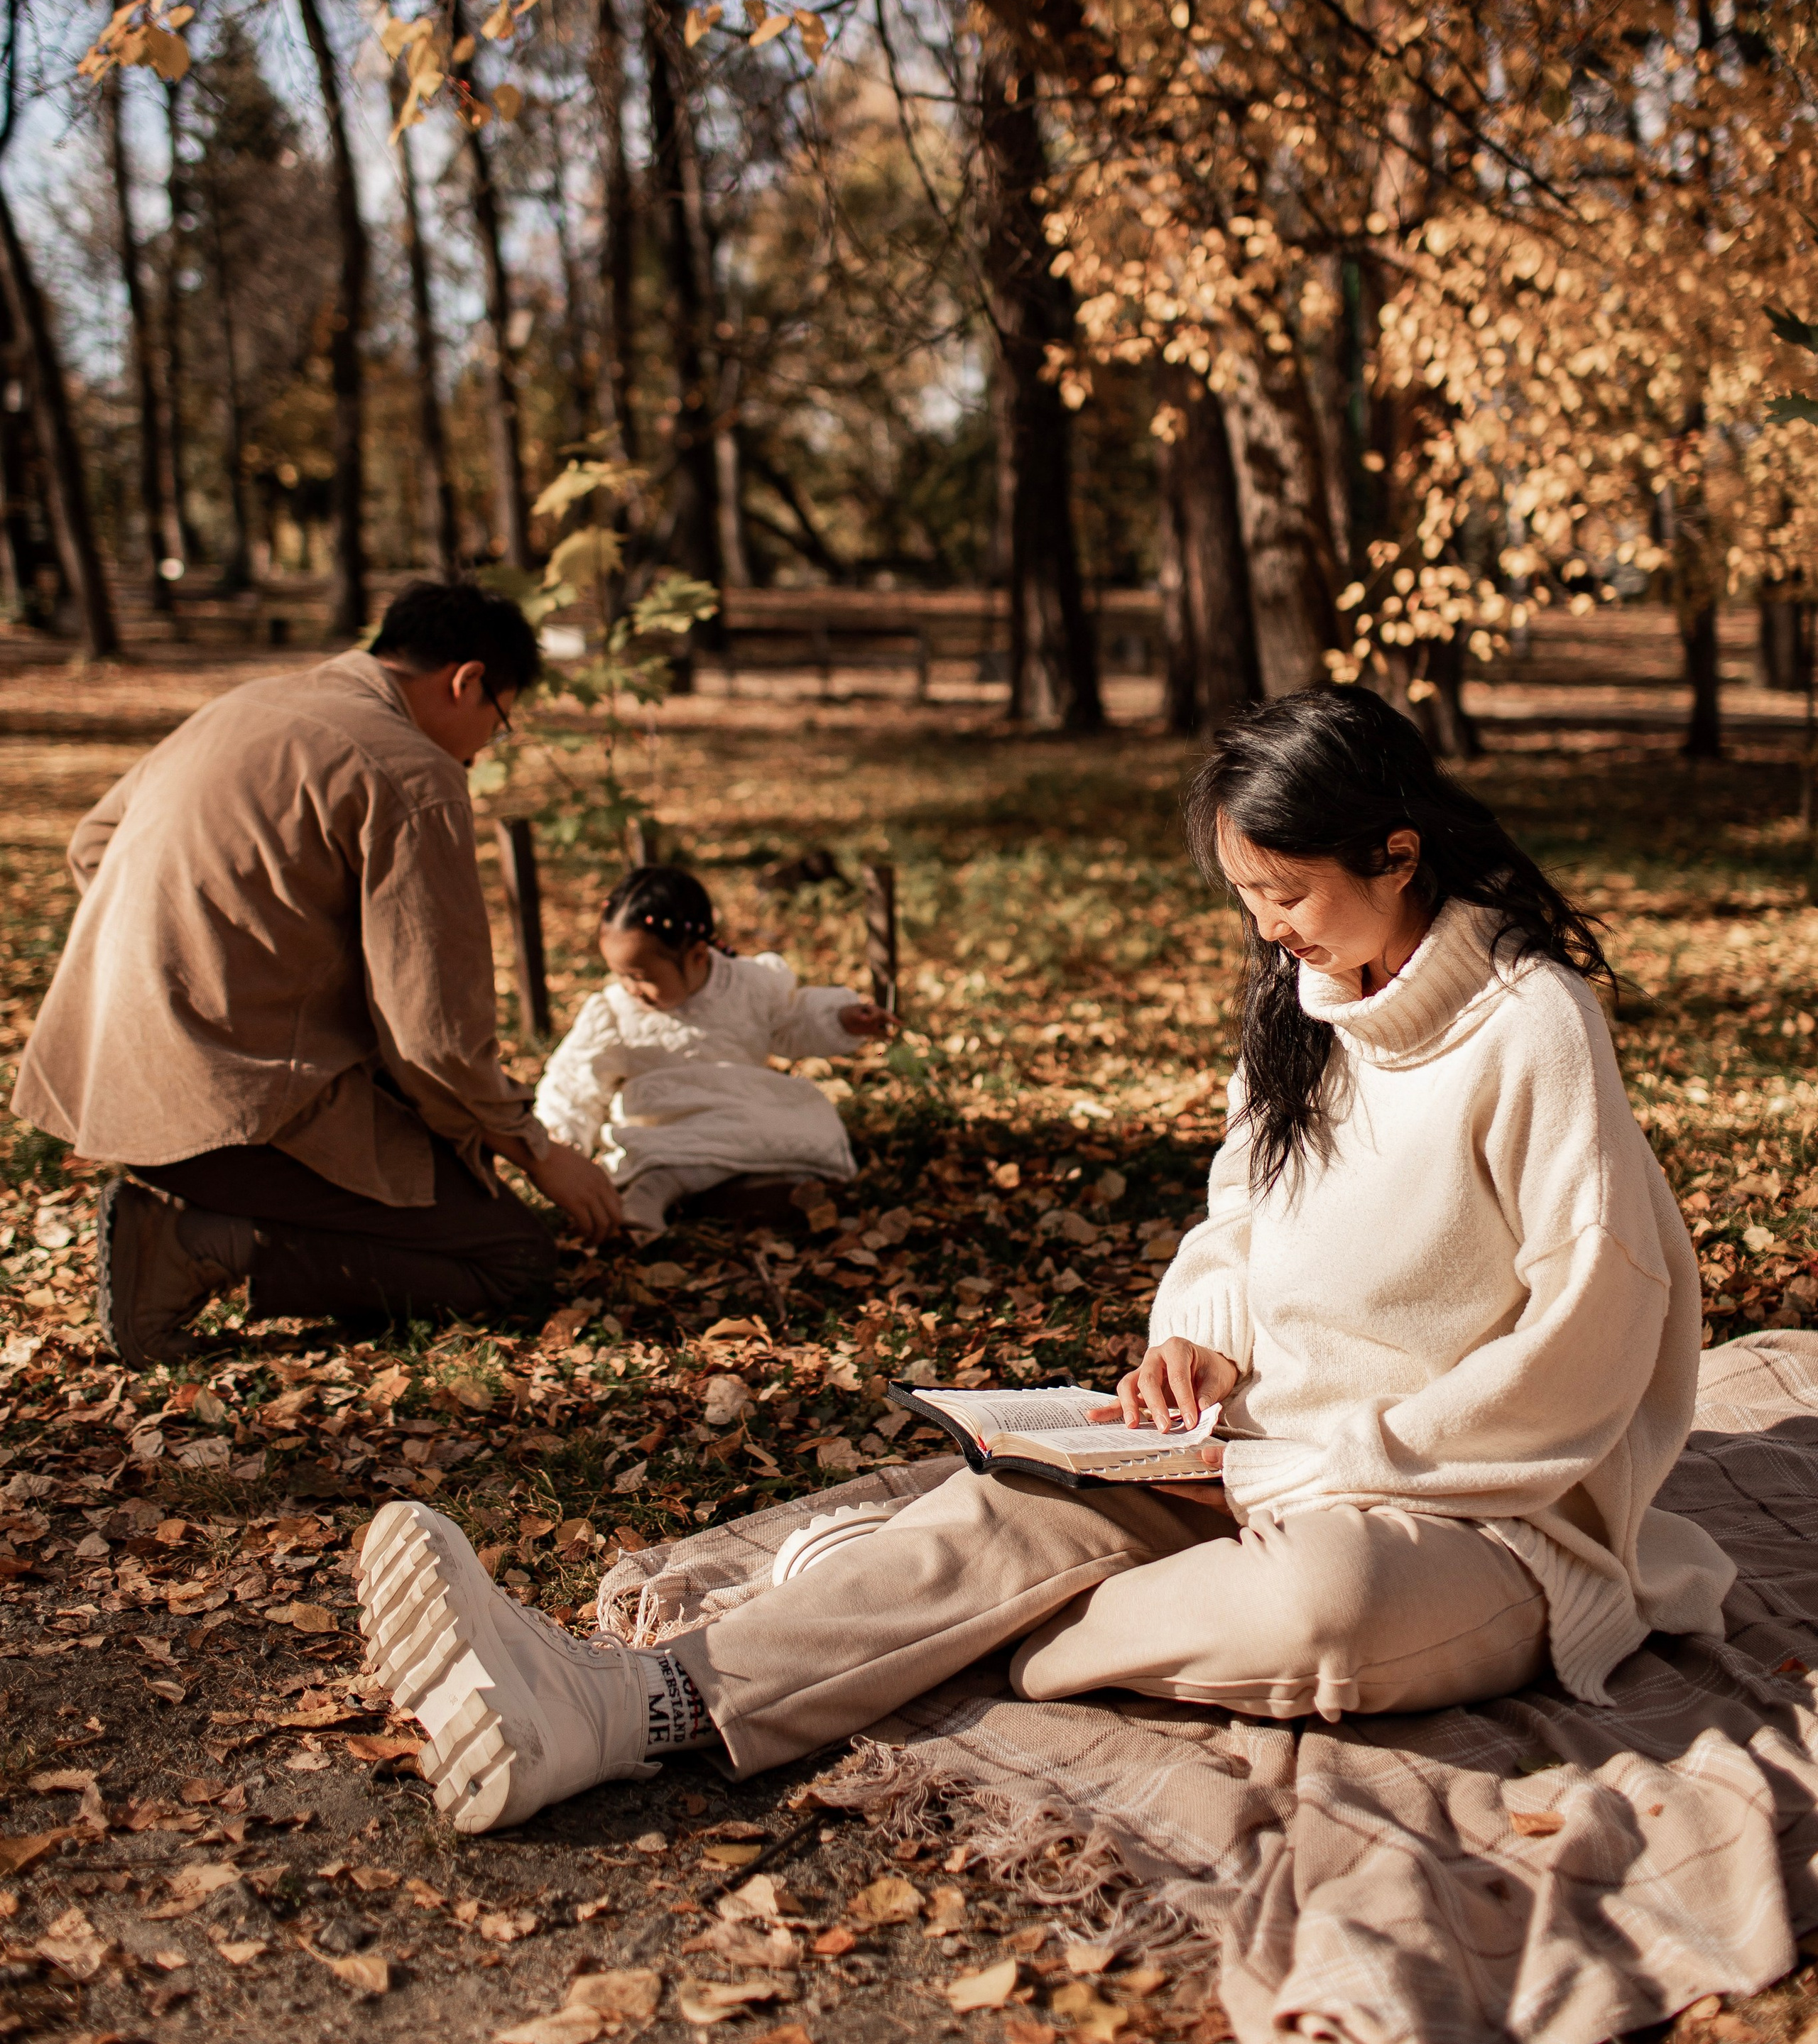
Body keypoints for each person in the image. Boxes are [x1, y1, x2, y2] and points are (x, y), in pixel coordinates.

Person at [354, 683, 1735, 1835]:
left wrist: (1341, 1461)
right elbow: (1234, 1221)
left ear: (1394, 854)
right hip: (1243, 1446)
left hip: (1470, 1506)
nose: (1268, 927)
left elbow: (1593, 1327)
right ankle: (611, 1707)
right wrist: (1191, 1330)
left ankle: (918, 1626)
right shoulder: (1302, 1006)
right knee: (1018, 1510)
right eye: (1245, 892)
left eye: (1286, 890)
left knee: (1324, 1613)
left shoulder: (1528, 1026)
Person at [13, 581, 622, 1369]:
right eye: (496, 724)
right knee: (513, 1259)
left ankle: (202, 1214)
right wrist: (537, 1150)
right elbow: (434, 1039)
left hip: (108, 1072)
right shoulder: (414, 772)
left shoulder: (245, 704)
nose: (479, 749)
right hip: (236, 1104)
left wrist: (176, 964)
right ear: (467, 681)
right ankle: (192, 1243)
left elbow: (91, 845)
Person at [533, 865, 891, 1240]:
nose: (630, 988)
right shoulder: (615, 1013)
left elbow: (792, 1019)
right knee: (655, 1156)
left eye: (642, 977)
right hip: (667, 1121)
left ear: (699, 956)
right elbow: (575, 1077)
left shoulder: (749, 985)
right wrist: (561, 1139)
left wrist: (842, 1018)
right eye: (621, 974)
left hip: (742, 1107)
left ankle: (766, 1185)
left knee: (807, 1123)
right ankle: (652, 1192)